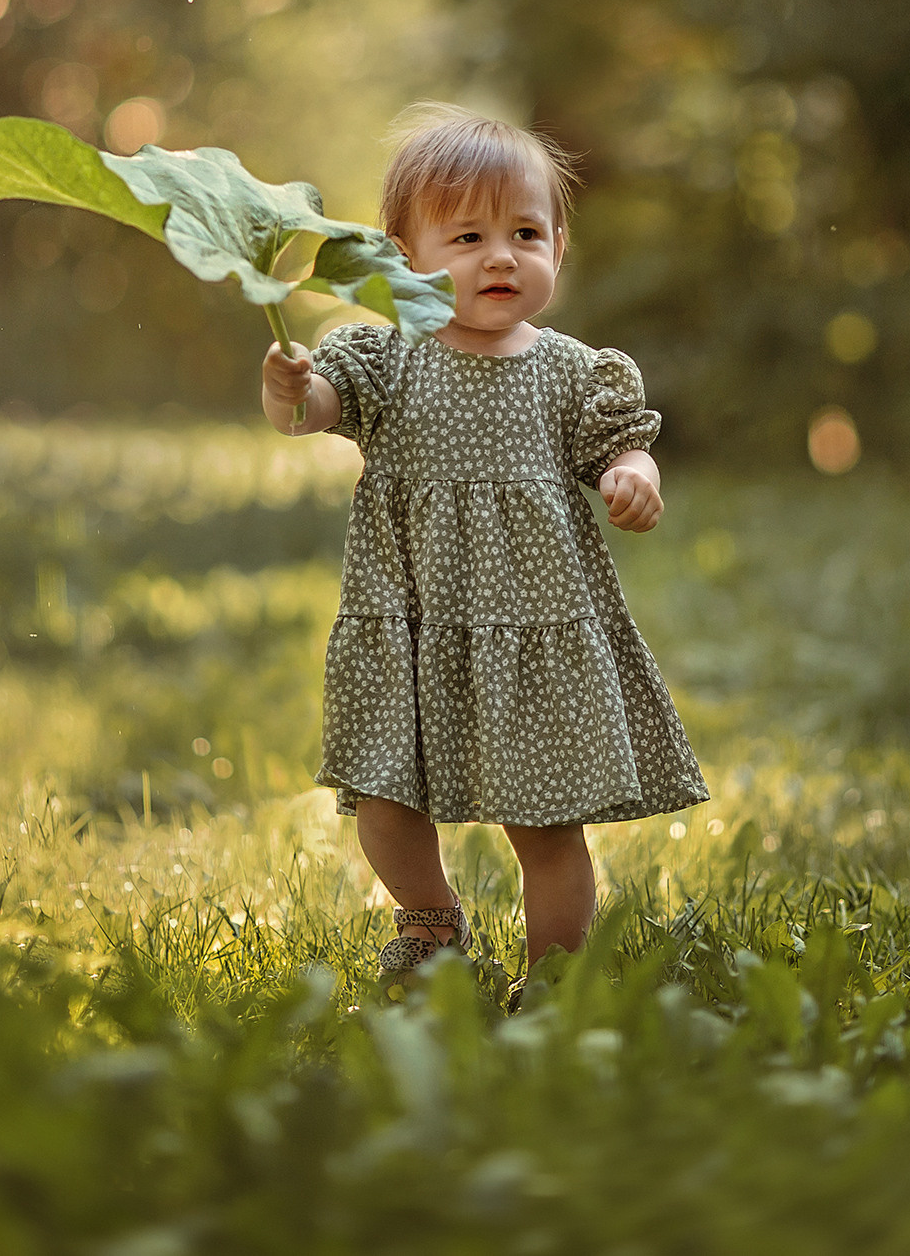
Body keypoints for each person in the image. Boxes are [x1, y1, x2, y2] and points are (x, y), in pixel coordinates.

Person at [261, 103, 709, 993]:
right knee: (384, 804)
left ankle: (555, 975)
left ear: (559, 248)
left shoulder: (573, 370)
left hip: (533, 633)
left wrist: (635, 474)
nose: (500, 255)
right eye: (466, 235)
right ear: (404, 258)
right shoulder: (383, 359)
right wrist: (287, 383)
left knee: (547, 828)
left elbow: (620, 442)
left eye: (526, 232)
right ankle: (431, 926)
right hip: (412, 628)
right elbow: (309, 415)